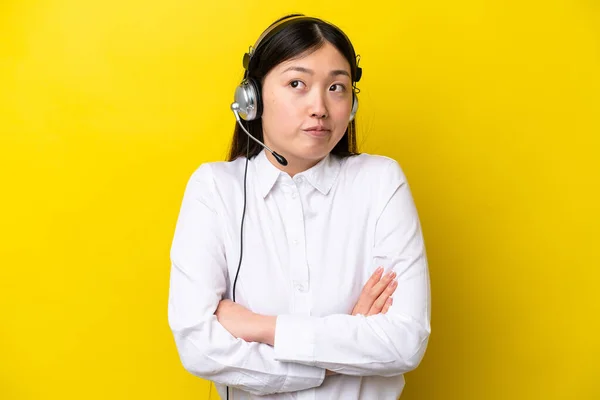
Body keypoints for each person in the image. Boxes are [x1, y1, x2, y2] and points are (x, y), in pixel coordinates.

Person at [167, 14, 431, 400]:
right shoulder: (214, 189)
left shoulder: (380, 181)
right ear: (251, 98)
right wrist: (338, 349)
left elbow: (405, 341)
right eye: (297, 84)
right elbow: (199, 346)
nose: (320, 107)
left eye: (337, 87)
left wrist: (262, 327)